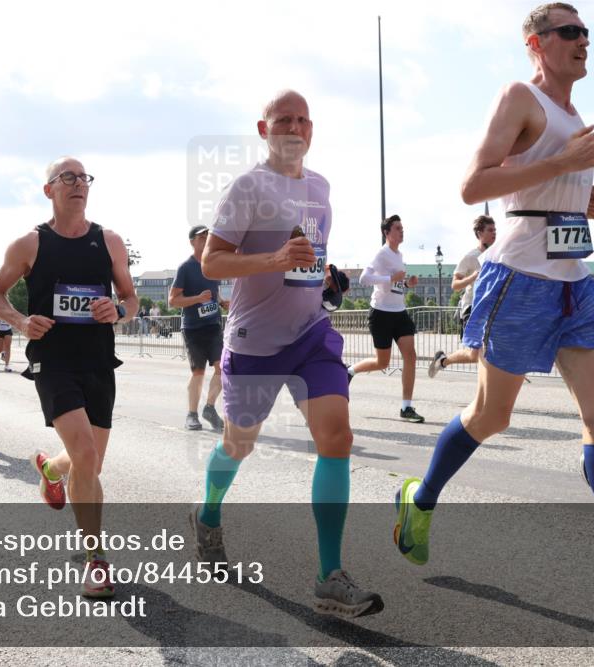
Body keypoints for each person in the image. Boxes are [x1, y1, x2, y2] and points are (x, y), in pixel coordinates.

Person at [392, 3, 594, 624]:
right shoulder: (520, 97)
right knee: (492, 416)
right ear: (535, 43)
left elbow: (536, 193)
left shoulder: (574, 116)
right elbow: (473, 186)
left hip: (574, 282)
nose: (583, 39)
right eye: (569, 31)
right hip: (520, 279)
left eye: (587, 30)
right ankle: (421, 496)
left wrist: (582, 202)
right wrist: (564, 166)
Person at [191, 90, 382, 618]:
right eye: (283, 120)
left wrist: (323, 272)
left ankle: (328, 577)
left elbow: (310, 251)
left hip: (310, 332)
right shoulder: (247, 186)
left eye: (302, 120)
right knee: (238, 445)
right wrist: (275, 257)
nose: (294, 128)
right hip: (255, 340)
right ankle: (207, 515)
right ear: (263, 128)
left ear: (312, 129)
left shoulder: (320, 187)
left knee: (336, 437)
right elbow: (212, 262)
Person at [0, 156, 138, 599]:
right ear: (48, 189)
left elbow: (131, 299)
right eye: (66, 177)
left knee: (87, 461)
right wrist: (20, 320)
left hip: (98, 361)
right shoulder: (29, 245)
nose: (77, 184)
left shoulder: (109, 241)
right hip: (53, 362)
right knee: (88, 455)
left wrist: (119, 311)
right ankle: (97, 560)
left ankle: (51, 467)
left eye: (83, 177)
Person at [348, 215, 425, 423]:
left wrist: (408, 284)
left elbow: (396, 287)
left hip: (399, 313)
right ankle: (350, 371)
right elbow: (364, 279)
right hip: (381, 313)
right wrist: (391, 278)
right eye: (398, 228)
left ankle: (406, 407)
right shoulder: (381, 254)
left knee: (411, 356)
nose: (402, 231)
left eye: (403, 228)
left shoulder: (399, 255)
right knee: (382, 363)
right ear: (387, 232)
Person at [170, 224, 228, 431]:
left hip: (213, 325)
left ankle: (210, 408)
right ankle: (192, 414)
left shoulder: (212, 265)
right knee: (198, 372)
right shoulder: (185, 267)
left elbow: (214, 291)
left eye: (207, 236)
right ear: (192, 242)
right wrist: (197, 299)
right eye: (201, 237)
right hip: (193, 328)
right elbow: (173, 300)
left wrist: (221, 302)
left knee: (223, 368)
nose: (205, 239)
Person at [429, 215, 497, 376]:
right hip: (472, 307)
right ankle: (443, 360)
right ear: (480, 233)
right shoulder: (471, 257)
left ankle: (491, 389)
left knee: (491, 350)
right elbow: (454, 285)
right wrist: (473, 277)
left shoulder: (497, 255)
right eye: (490, 230)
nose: (494, 233)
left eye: (495, 230)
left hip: (491, 308)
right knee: (475, 354)